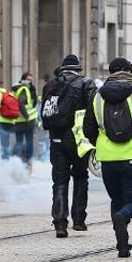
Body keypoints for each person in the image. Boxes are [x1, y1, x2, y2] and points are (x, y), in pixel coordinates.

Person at [84, 57, 132, 258]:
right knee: (131, 202)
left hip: (107, 157)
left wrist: (100, 143)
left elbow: (88, 128)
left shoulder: (97, 97)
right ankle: (122, 219)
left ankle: (122, 245)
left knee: (116, 199)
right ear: (128, 72)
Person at [40, 54, 97, 237]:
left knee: (59, 181)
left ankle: (60, 223)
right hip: (78, 140)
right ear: (78, 69)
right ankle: (79, 220)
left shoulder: (49, 85)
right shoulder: (85, 83)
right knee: (80, 177)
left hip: (55, 140)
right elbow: (93, 111)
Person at [12, 73, 38, 164]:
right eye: (28, 79)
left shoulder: (18, 88)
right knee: (29, 141)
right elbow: (21, 103)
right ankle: (27, 160)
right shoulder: (24, 89)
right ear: (23, 79)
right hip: (27, 120)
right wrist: (27, 116)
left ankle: (13, 159)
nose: (30, 82)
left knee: (19, 141)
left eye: (31, 80)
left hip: (18, 120)